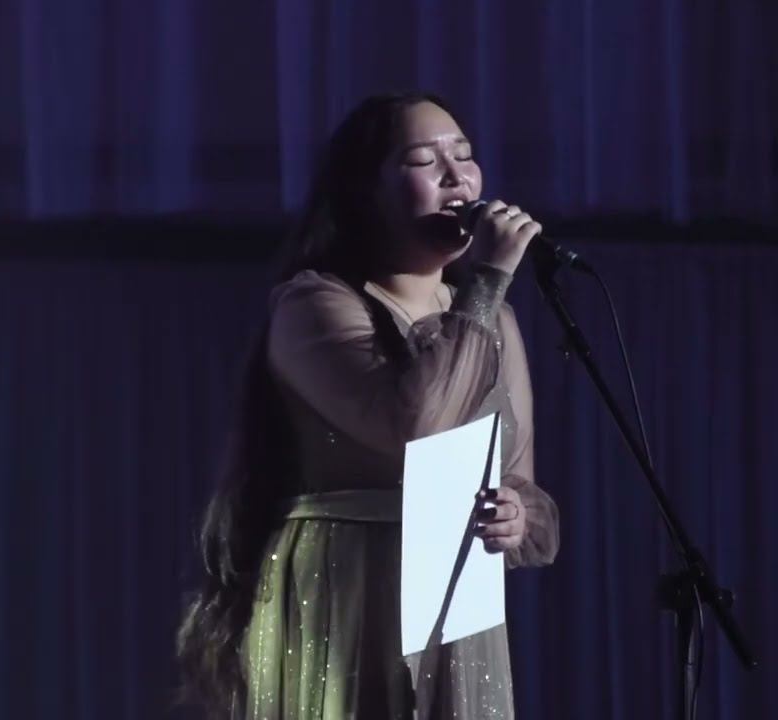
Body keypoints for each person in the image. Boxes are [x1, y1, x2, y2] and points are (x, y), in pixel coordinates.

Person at [176, 91, 560, 719]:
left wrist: (516, 516)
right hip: (344, 595)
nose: (456, 176)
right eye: (424, 161)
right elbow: (414, 424)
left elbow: (520, 482)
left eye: (464, 156)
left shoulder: (498, 321)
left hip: (455, 605)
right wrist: (486, 283)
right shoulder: (314, 305)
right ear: (365, 192)